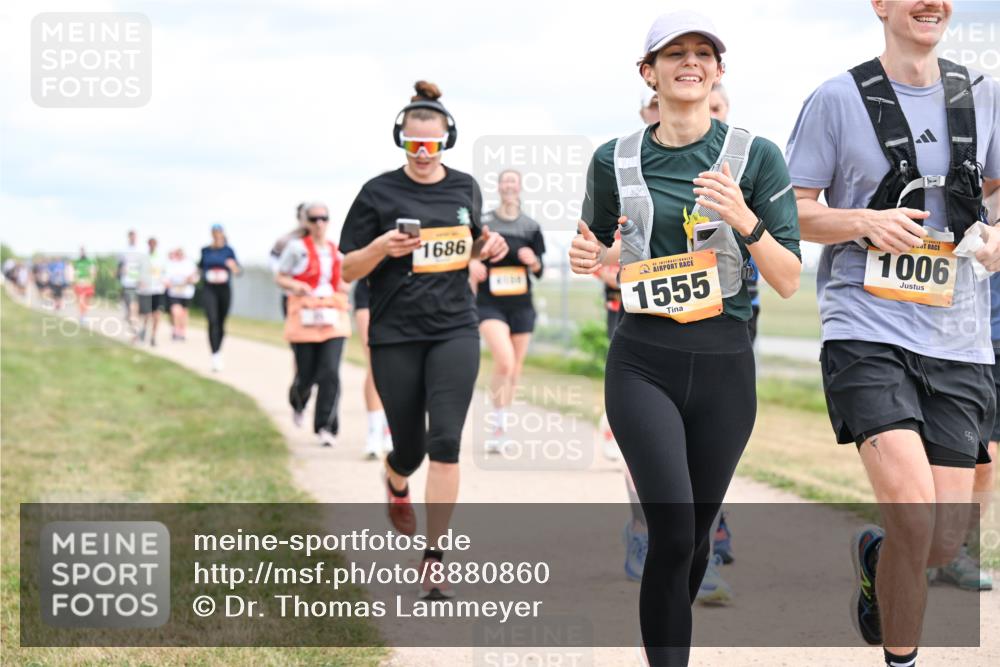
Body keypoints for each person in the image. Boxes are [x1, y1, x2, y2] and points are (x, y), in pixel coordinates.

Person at [570, 12, 801, 664]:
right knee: (671, 528)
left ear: (719, 71)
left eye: (704, 53)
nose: (690, 62)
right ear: (649, 72)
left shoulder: (756, 157)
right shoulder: (612, 158)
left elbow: (786, 278)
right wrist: (586, 259)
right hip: (643, 360)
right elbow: (592, 248)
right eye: (675, 53)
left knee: (696, 539)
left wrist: (745, 220)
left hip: (726, 363)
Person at [786, 1, 1000, 664]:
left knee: (937, 543)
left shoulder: (983, 95)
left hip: (961, 339)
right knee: (914, 515)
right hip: (866, 328)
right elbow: (793, 210)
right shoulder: (836, 99)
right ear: (880, 4)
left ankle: (877, 553)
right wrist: (865, 223)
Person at [340, 80, 508, 600]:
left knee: (446, 442)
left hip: (455, 327)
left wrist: (490, 245)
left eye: (430, 145)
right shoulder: (377, 193)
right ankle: (395, 478)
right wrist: (382, 247)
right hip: (395, 334)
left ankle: (434, 556)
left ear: (445, 142)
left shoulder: (464, 187)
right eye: (413, 145)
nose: (421, 154)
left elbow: (473, 242)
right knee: (410, 449)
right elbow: (347, 268)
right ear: (401, 141)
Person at [469, 169, 545, 450]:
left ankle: (502, 422)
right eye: (505, 181)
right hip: (490, 304)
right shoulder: (486, 223)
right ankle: (497, 427)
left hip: (522, 305)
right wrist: (473, 263)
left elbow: (538, 270)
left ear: (520, 186)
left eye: (514, 180)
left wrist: (533, 261)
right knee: (505, 361)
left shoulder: (531, 226)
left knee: (515, 370)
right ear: (499, 187)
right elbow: (471, 253)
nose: (510, 185)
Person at [276, 201, 350, 448]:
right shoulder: (296, 248)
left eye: (324, 218)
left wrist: (344, 287)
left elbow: (345, 280)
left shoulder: (336, 250)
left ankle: (326, 426)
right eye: (314, 218)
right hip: (305, 315)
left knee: (330, 371)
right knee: (306, 373)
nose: (319, 223)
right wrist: (296, 286)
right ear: (306, 222)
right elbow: (280, 276)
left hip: (331, 315)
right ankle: (299, 400)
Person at [353, 276, 393, 459]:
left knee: (399, 366)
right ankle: (374, 431)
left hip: (404, 297)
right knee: (374, 361)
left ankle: (390, 428)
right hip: (369, 294)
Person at [199, 224, 241, 371]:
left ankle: (219, 349)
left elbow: (238, 271)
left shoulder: (228, 251)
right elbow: (200, 268)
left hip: (224, 289)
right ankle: (214, 354)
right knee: (212, 320)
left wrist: (233, 267)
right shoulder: (205, 250)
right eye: (214, 232)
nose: (217, 235)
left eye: (219, 232)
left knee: (221, 322)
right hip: (209, 288)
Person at [271, 203, 308, 318]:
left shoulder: (324, 243)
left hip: (318, 297)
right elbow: (274, 261)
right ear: (299, 218)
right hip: (293, 294)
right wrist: (288, 282)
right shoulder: (285, 241)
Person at [135, 237, 167, 346]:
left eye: (154, 243)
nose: (152, 245)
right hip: (145, 290)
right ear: (148, 244)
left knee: (157, 314)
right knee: (146, 314)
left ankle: (153, 336)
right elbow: (135, 271)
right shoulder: (143, 258)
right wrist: (139, 280)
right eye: (150, 243)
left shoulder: (161, 258)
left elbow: (166, 273)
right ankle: (144, 329)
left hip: (158, 290)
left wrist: (165, 281)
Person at [165, 247, 199, 341]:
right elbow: (166, 276)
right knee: (176, 311)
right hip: (174, 292)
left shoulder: (190, 264)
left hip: (186, 292)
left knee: (184, 313)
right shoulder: (172, 263)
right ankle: (175, 331)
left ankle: (182, 331)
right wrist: (167, 282)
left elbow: (195, 277)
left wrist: (191, 279)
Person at [118, 229, 144, 330]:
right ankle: (131, 318)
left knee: (134, 304)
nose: (133, 239)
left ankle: (134, 325)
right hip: (126, 281)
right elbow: (120, 266)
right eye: (131, 237)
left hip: (137, 282)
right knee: (129, 304)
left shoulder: (141, 251)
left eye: (134, 237)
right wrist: (120, 272)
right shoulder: (123, 251)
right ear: (128, 237)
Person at [71, 247, 96, 322]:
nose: (82, 253)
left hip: (88, 282)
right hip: (80, 283)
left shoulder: (89, 261)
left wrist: (92, 279)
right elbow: (74, 272)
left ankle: (84, 314)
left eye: (83, 252)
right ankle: (82, 315)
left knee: (87, 300)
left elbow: (93, 270)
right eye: (81, 252)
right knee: (81, 299)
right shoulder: (77, 262)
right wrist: (74, 281)